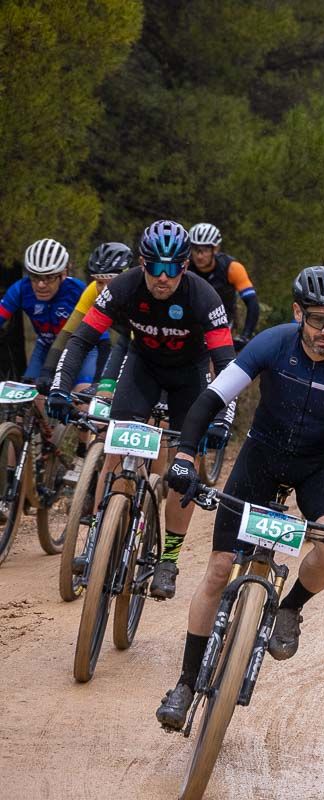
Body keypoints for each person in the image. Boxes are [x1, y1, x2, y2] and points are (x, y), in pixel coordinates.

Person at [154, 266, 324, 728]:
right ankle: (187, 682)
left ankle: (289, 609)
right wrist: (186, 457)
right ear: (297, 313)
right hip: (262, 455)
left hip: (320, 465)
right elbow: (210, 399)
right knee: (217, 569)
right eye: (317, 320)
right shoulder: (272, 342)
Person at [47, 220, 237, 600]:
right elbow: (82, 339)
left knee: (182, 473)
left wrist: (223, 418)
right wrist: (59, 388)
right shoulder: (124, 286)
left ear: (185, 266)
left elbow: (228, 366)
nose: (162, 277)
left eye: (172, 268)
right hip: (142, 369)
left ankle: (168, 558)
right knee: (115, 449)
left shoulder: (203, 297)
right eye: (154, 266)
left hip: (189, 378)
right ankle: (98, 535)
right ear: (141, 263)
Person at [40, 242, 134, 396]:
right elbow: (68, 335)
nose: (104, 289)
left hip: (158, 350)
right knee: (103, 397)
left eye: (110, 281)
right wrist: (48, 372)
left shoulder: (138, 292)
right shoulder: (92, 291)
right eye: (99, 282)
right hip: (126, 342)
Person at [2, 239, 93, 393]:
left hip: (83, 350)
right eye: (35, 276)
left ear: (63, 274)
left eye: (49, 277)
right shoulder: (21, 289)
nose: (41, 285)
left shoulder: (78, 291)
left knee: (82, 395)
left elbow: (102, 334)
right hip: (46, 346)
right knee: (27, 396)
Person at [187, 223, 259, 348]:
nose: (199, 256)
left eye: (204, 250)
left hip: (221, 324)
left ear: (215, 249)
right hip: (189, 323)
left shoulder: (232, 268)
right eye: (195, 250)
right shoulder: (185, 266)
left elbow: (252, 303)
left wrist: (245, 336)